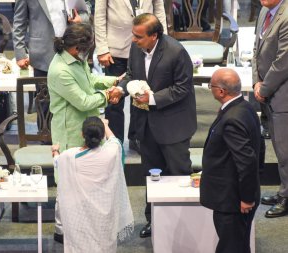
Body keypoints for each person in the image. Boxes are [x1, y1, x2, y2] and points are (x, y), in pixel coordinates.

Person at [118, 13, 197, 238]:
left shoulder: (176, 52)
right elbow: (132, 75)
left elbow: (183, 87)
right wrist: (121, 89)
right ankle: (154, 220)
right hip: (146, 126)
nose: (133, 40)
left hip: (174, 126)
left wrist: (152, 99)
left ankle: (184, 224)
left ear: (154, 36)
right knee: (152, 175)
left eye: (139, 36)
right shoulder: (136, 48)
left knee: (178, 174)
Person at [48, 23, 123, 243]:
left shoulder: (76, 59)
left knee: (84, 179)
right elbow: (83, 101)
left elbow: (90, 81)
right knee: (67, 182)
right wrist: (109, 96)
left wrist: (115, 80)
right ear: (75, 46)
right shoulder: (60, 69)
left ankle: (81, 223)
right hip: (69, 129)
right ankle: (62, 230)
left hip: (85, 124)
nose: (86, 53)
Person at [200, 68, 261, 253]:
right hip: (237, 194)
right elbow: (259, 149)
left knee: (231, 246)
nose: (210, 89)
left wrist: (246, 198)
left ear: (221, 91)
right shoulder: (246, 107)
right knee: (239, 244)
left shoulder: (232, 118)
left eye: (211, 85)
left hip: (232, 200)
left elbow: (247, 161)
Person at [52, 116, 134, 253]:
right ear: (102, 136)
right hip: (104, 215)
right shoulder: (111, 152)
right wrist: (105, 124)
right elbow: (114, 140)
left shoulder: (70, 156)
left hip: (79, 213)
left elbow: (57, 162)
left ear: (82, 134)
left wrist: (55, 151)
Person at [94, 0, 167, 149]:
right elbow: (99, 15)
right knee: (115, 99)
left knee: (141, 94)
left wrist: (163, 41)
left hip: (146, 46)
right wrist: (102, 48)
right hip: (115, 49)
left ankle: (137, 137)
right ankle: (115, 142)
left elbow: (159, 9)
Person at [253, 0, 288, 218]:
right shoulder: (265, 11)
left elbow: (283, 61)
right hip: (268, 92)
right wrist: (256, 81)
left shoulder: (286, 17)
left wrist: (264, 88)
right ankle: (284, 191)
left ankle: (287, 199)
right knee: (280, 148)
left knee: (286, 152)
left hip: (282, 94)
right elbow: (257, 49)